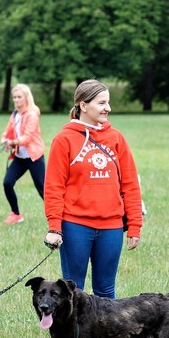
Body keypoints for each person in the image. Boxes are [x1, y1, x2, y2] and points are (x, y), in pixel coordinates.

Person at [42, 79, 143, 299]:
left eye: (108, 102)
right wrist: (54, 228)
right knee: (73, 291)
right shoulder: (64, 140)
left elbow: (130, 184)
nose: (108, 108)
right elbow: (54, 188)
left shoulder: (116, 138)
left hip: (111, 226)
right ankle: (75, 334)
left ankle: (106, 335)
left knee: (106, 291)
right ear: (83, 105)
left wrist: (134, 224)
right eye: (101, 102)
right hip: (75, 226)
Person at [0, 83, 46, 225]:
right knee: (7, 183)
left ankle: (59, 216)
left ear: (26, 97)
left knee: (42, 188)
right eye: (14, 97)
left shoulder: (32, 114)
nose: (16, 100)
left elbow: (28, 137)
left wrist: (13, 142)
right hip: (20, 157)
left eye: (19, 97)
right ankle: (16, 214)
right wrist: (4, 139)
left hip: (34, 156)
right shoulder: (15, 114)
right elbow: (7, 130)